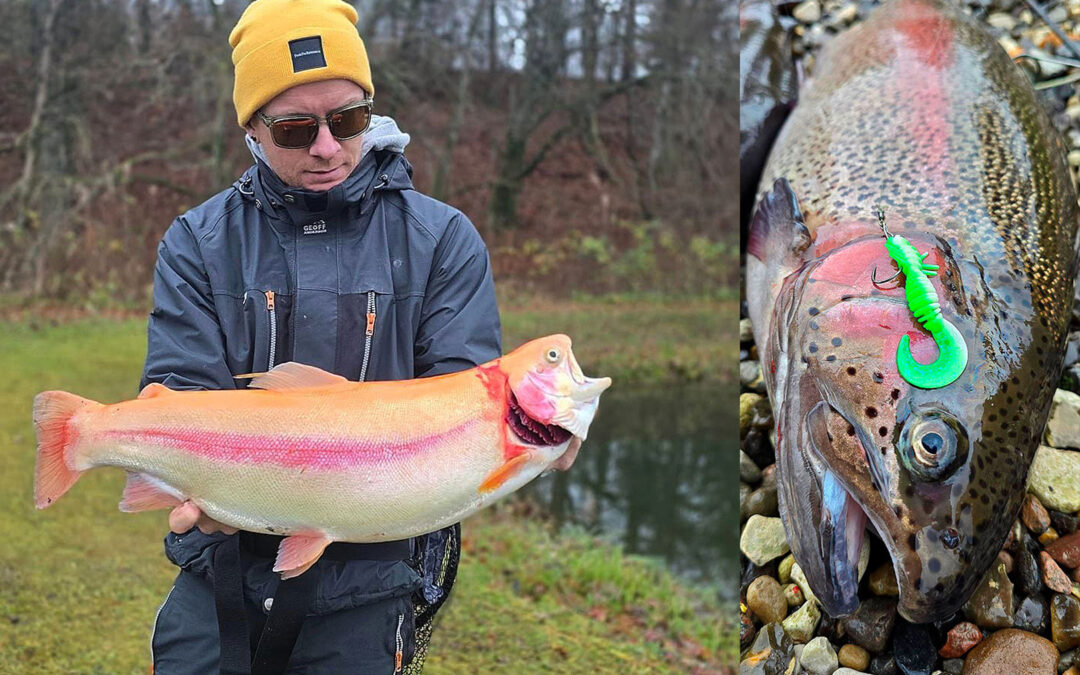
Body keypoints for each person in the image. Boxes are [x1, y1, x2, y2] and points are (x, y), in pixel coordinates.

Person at [141, 1, 502, 672]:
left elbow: (467, 409)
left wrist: (524, 436)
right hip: (216, 581)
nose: (327, 146)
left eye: (348, 119)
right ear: (252, 127)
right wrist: (197, 483)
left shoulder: (443, 241)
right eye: (296, 128)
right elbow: (183, 388)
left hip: (367, 594)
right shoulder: (196, 241)